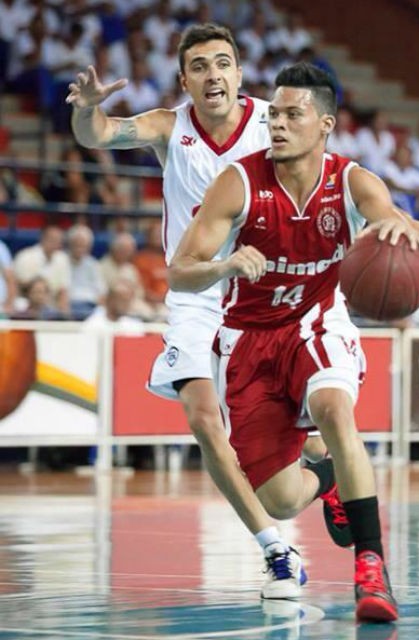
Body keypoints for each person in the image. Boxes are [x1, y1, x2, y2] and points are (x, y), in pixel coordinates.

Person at [168, 62, 419, 622]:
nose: (277, 123)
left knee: (333, 408)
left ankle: (372, 570)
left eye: (291, 114)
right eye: (273, 113)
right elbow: (180, 270)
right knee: (278, 498)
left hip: (318, 323)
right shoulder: (239, 180)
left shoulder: (350, 181)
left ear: (323, 124)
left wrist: (402, 226)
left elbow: (385, 218)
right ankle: (327, 477)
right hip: (248, 339)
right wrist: (225, 263)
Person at [68, 22, 333, 600]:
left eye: (223, 63)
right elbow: (100, 134)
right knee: (202, 420)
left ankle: (326, 474)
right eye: (200, 66)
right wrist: (86, 111)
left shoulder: (275, 122)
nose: (213, 74)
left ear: (239, 72)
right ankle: (277, 553)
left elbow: (322, 179)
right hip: (196, 292)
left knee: (292, 456)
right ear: (184, 79)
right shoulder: (169, 126)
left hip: (266, 297)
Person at [13, 225, 71, 316]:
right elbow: (18, 284)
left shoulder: (63, 259)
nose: (57, 243)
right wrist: (38, 293)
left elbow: (63, 290)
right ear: (43, 239)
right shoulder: (25, 256)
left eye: (59, 241)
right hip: (26, 303)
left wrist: (65, 314)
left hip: (51, 306)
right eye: (53, 240)